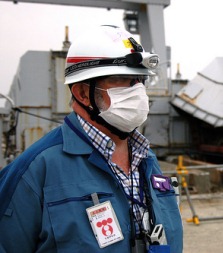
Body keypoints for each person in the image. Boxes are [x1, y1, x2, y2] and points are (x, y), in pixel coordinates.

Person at [0, 25, 183, 253]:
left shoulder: (146, 159)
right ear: (82, 93)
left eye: (139, 80)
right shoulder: (34, 171)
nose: (137, 91)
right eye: (121, 79)